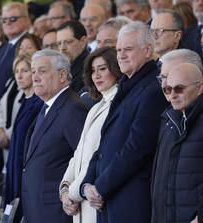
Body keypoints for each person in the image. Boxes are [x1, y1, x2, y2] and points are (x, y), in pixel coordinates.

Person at [81, 21, 168, 223]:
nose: (120, 55)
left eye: (128, 49)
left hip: (130, 200)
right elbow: (104, 144)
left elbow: (137, 148)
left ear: (148, 51)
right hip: (107, 198)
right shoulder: (125, 86)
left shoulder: (153, 89)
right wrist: (88, 184)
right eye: (118, 49)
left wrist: (100, 186)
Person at [22, 49, 88, 223]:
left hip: (57, 211)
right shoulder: (47, 106)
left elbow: (84, 159)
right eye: (33, 71)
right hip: (38, 209)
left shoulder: (73, 108)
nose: (34, 77)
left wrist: (69, 193)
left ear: (62, 75)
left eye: (42, 71)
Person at [59, 47, 122, 223]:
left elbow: (101, 156)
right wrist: (64, 189)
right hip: (79, 199)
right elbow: (78, 153)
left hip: (94, 200)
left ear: (115, 69)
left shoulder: (118, 104)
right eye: (93, 71)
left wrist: (73, 192)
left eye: (102, 69)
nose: (96, 76)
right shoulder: (95, 107)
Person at [151, 63, 203, 223]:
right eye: (168, 89)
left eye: (179, 88)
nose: (172, 95)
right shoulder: (168, 121)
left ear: (200, 88)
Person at [5, 54, 43, 222]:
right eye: (17, 71)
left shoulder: (38, 103)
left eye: (25, 71)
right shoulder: (25, 102)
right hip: (14, 170)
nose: (19, 76)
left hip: (25, 174)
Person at [57, 21, 89, 93]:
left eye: (68, 42)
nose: (62, 48)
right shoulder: (60, 68)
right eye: (59, 43)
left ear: (83, 41)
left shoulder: (90, 69)